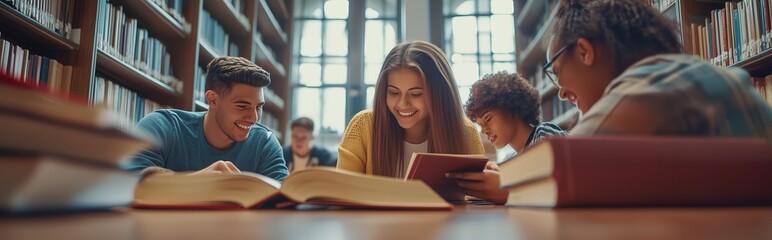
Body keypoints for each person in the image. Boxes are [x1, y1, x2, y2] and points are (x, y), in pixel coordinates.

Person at [543, 0, 771, 138]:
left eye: (556, 70)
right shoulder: (727, 79)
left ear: (584, 51)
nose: (561, 92)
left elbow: (562, 169)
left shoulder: (637, 98)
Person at [337, 40, 485, 178]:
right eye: (393, 92)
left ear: (440, 95)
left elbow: (474, 199)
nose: (402, 104)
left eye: (416, 94)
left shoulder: (466, 133)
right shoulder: (363, 126)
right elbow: (342, 193)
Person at [127, 56, 288, 181]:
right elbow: (131, 180)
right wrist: (199, 181)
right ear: (213, 100)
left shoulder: (265, 142)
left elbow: (283, 197)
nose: (254, 118)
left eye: (258, 107)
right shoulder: (162, 126)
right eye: (242, 106)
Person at [447, 71, 567, 204]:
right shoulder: (511, 159)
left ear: (512, 109)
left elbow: (560, 183)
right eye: (480, 125)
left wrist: (507, 180)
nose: (484, 131)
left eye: (488, 118)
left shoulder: (544, 134)